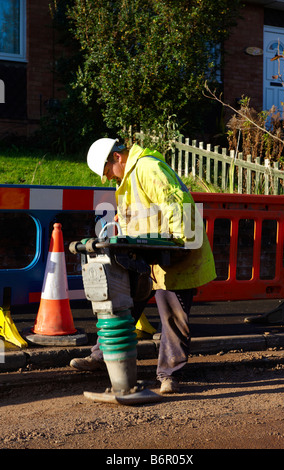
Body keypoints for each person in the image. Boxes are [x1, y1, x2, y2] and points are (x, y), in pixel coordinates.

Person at [70, 138, 216, 394]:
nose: (108, 178)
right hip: (148, 253)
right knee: (123, 302)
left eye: (106, 172)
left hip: (173, 251)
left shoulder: (148, 168)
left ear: (116, 158)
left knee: (172, 315)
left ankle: (169, 376)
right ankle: (101, 354)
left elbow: (176, 203)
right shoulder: (127, 177)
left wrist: (180, 244)